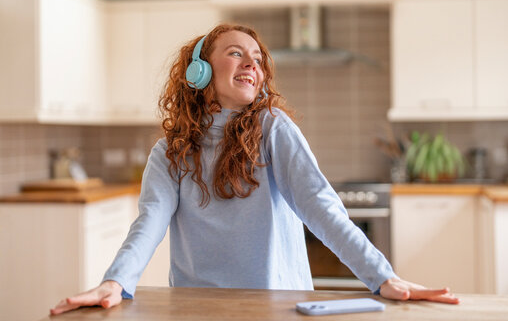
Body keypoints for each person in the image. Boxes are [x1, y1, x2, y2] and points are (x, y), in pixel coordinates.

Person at [50, 24, 458, 315]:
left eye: (258, 59)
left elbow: (320, 207)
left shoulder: (273, 129)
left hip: (277, 304)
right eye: (236, 53)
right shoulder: (169, 152)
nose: (252, 64)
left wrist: (381, 277)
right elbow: (150, 222)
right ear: (200, 71)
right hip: (198, 308)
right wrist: (116, 282)